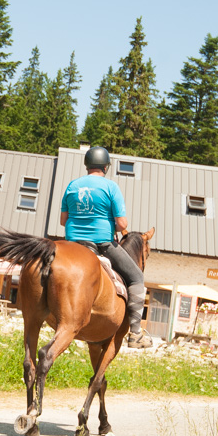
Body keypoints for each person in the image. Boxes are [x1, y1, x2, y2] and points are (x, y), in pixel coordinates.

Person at [59, 146, 150, 349]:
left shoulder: (73, 185)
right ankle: (135, 333)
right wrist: (112, 225)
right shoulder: (110, 187)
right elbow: (123, 225)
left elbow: (63, 220)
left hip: (72, 242)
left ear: (87, 165)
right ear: (106, 166)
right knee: (137, 277)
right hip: (101, 244)